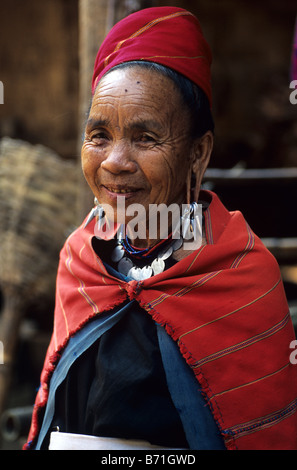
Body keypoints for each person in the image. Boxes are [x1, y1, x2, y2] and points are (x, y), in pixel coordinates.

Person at [24, 6, 297, 450]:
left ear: (198, 153)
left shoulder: (240, 276)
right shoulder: (81, 257)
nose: (114, 161)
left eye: (146, 138)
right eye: (99, 135)